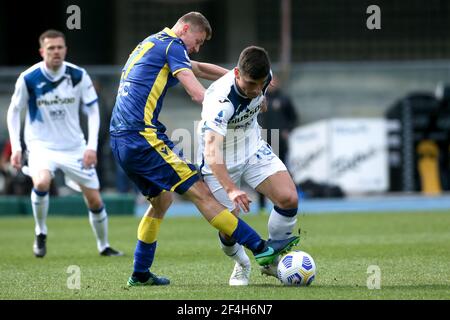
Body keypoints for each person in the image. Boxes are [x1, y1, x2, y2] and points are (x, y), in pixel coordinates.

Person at [109, 12, 299, 287]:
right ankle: (259, 248)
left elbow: (197, 67)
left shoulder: (154, 43)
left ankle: (140, 273)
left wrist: (242, 85)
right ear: (184, 29)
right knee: (201, 192)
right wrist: (222, 98)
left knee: (161, 202)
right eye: (196, 41)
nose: (196, 48)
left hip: (121, 137)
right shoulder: (173, 46)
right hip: (141, 135)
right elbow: (198, 92)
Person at [6, 29, 123, 258]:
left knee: (94, 199)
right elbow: (13, 111)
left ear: (65, 49)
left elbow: (92, 111)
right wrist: (17, 147)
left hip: (74, 147)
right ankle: (40, 232)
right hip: (41, 145)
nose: (56, 51)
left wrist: (90, 146)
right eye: (51, 48)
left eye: (60, 47)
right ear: (42, 51)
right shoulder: (29, 78)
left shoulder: (79, 75)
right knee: (41, 182)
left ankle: (104, 245)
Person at [197, 46, 300, 286]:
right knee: (228, 227)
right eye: (249, 84)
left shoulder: (265, 78)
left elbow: (258, 91)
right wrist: (232, 189)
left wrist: (260, 99)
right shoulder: (220, 103)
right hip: (220, 160)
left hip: (252, 148)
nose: (255, 90)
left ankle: (272, 258)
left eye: (260, 85)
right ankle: (241, 264)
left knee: (289, 198)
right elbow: (212, 152)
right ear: (236, 74)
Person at [257, 74, 299, 214]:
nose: (272, 83)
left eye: (274, 80)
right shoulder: (259, 98)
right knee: (261, 172)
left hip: (280, 142)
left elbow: (293, 117)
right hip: (262, 142)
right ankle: (262, 205)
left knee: (282, 171)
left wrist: (288, 130)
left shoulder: (284, 99)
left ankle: (286, 202)